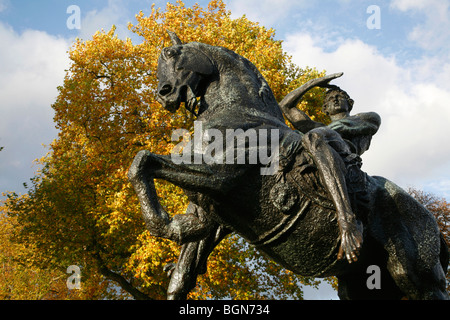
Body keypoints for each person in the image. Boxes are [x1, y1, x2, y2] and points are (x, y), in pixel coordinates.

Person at [279, 73, 381, 263]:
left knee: (313, 137)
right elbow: (285, 106)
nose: (334, 98)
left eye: (339, 96)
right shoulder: (319, 129)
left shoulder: (366, 118)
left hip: (345, 156)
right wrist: (312, 83)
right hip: (323, 151)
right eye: (329, 98)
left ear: (349, 103)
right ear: (325, 108)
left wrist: (315, 131)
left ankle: (347, 220)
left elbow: (337, 130)